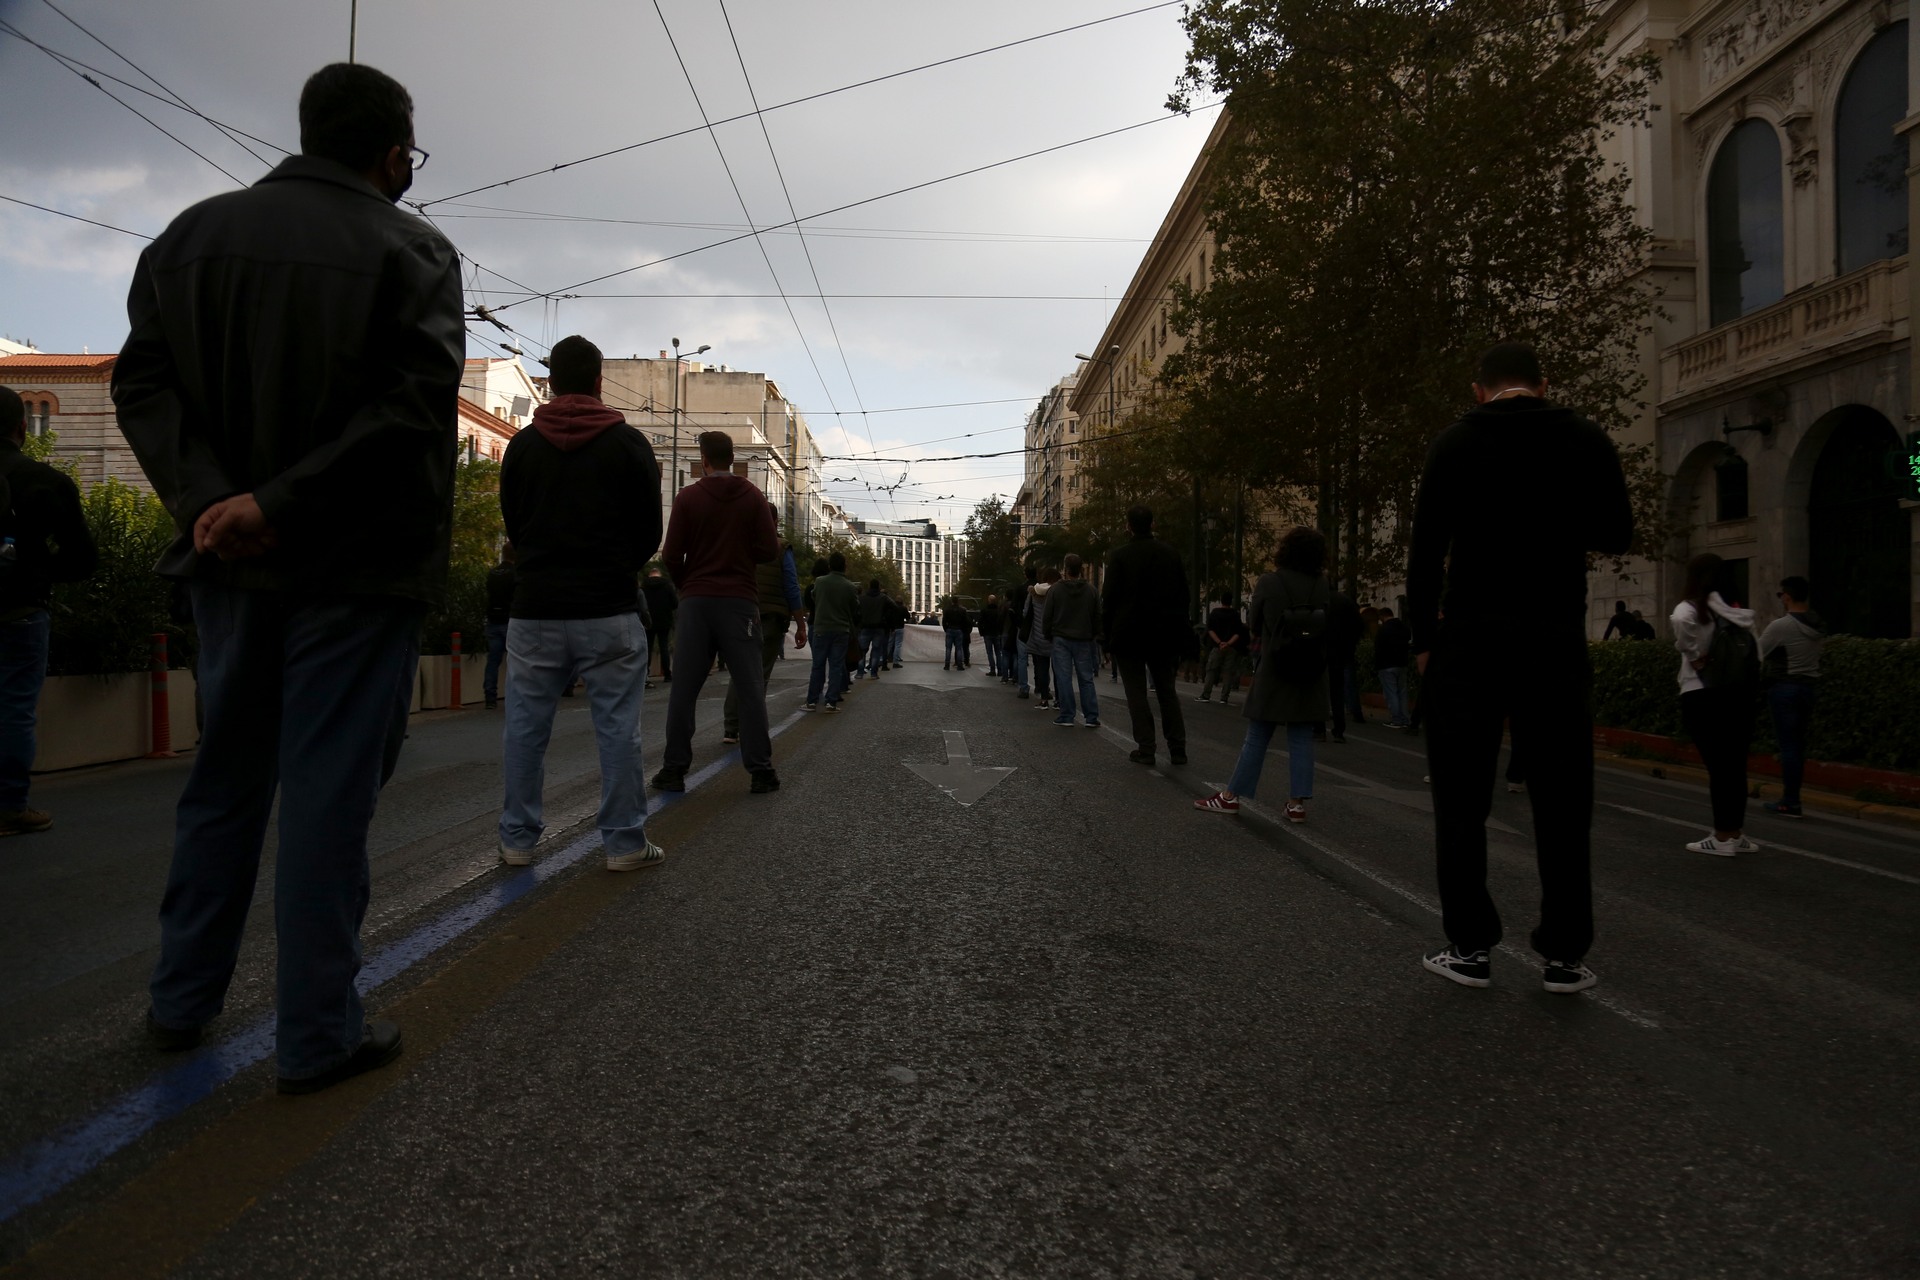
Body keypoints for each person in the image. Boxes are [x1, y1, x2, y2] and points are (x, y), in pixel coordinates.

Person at [113, 63, 460, 1092]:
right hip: (355, 571)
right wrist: (278, 504)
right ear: (392, 153)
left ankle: (181, 999)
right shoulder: (414, 251)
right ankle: (317, 1034)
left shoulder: (187, 239)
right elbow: (411, 411)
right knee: (326, 797)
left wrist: (214, 501)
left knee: (224, 781)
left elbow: (142, 384)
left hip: (227, 565)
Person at [1407, 342, 1632, 996]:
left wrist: (1425, 641)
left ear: (1479, 390)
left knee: (1461, 798)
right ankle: (1564, 954)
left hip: (1470, 637)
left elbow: (1425, 552)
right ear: (1544, 383)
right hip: (1553, 635)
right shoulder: (1585, 438)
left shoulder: (1454, 444)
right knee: (1563, 799)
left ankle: (1470, 947)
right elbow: (1616, 532)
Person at [497, 334, 664, 872]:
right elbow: (649, 532)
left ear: (550, 383)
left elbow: (514, 523)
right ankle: (624, 844)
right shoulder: (629, 444)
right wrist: (617, 568)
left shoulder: (522, 446)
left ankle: (518, 840)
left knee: (525, 729)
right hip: (609, 608)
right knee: (618, 731)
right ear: (598, 382)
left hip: (535, 609)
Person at [653, 432, 781, 794]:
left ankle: (674, 770)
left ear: (704, 460)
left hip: (696, 602)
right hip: (740, 602)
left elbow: (670, 555)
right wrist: (742, 557)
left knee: (684, 689)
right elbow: (769, 550)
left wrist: (687, 585)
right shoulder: (753, 497)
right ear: (732, 459)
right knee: (750, 689)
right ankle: (761, 771)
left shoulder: (688, 497)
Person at [0, 388, 99, 835]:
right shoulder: (45, 480)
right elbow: (82, 559)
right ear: (22, 428)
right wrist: (36, 570)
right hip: (19, 610)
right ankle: (8, 808)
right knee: (14, 709)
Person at [1194, 527, 1332, 821]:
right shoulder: (1322, 584)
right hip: (1311, 668)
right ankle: (1296, 804)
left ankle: (1231, 796)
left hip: (1276, 666)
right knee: (1302, 735)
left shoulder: (1270, 582)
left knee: (1258, 734)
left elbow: (1255, 625)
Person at [1672, 552, 1760, 854]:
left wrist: (1695, 656)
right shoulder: (1734, 609)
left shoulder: (1691, 608)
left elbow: (1679, 619)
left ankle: (1722, 837)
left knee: (1719, 768)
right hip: (1738, 694)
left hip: (1701, 693)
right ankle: (1735, 833)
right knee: (1735, 766)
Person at [1103, 505, 1190, 766]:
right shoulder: (1170, 554)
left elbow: (1109, 600)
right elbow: (1183, 597)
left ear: (1128, 526)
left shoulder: (1119, 557)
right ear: (1152, 524)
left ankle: (1146, 747)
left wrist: (1106, 638)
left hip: (1129, 634)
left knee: (1136, 692)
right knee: (1166, 691)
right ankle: (1178, 748)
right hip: (1164, 634)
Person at [722, 504, 806, 745]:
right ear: (776, 522)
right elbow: (791, 586)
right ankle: (751, 727)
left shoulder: (740, 545)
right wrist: (800, 624)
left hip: (741, 615)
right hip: (770, 618)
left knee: (739, 670)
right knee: (759, 673)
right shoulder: (781, 547)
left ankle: (731, 728)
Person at [1759, 576, 1823, 818]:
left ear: (1786, 596)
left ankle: (1790, 801)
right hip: (1809, 688)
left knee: (1788, 747)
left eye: (1780, 594)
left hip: (1785, 688)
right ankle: (1792, 799)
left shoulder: (1781, 626)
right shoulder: (1817, 625)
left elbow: (1757, 652)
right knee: (1797, 746)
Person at [1043, 553, 1100, 728]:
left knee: (1063, 677)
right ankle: (1091, 716)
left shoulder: (1055, 590)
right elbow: (1097, 615)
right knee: (1086, 678)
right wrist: (1094, 634)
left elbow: (1048, 615)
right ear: (1081, 569)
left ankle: (1067, 715)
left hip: (1061, 637)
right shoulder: (1091, 590)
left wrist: (1048, 634)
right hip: (1084, 637)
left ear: (1066, 569)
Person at [805, 553, 858, 712]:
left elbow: (814, 598)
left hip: (821, 628)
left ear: (830, 566)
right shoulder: (850, 587)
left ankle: (812, 701)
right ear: (844, 566)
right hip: (841, 630)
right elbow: (854, 608)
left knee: (818, 665)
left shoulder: (820, 582)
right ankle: (831, 702)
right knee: (836, 666)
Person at [1324, 589, 1362, 742]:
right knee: (1337, 691)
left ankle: (1319, 729)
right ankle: (1339, 730)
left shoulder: (1315, 599)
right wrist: (1349, 647)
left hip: (1320, 651)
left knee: (1319, 690)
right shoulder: (1345, 601)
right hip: (1340, 653)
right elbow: (1358, 626)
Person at [1198, 590, 1247, 707]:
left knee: (1211, 670)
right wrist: (1228, 643)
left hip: (1217, 647)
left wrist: (1220, 643)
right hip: (1231, 647)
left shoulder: (1215, 613)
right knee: (1228, 673)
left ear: (1221, 600)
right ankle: (1224, 697)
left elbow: (1210, 630)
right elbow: (1238, 633)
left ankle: (1206, 695)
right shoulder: (1235, 615)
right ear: (1231, 601)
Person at [482, 542, 515, 710]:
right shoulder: (515, 573)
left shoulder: (492, 573)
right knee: (515, 661)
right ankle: (514, 696)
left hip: (493, 620)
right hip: (510, 620)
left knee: (493, 660)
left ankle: (490, 697)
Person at [1373, 607, 1412, 728]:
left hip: (1386, 665)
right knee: (1402, 693)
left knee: (1391, 693)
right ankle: (1405, 719)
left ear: (1382, 616)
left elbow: (1378, 648)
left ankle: (1396, 719)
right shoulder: (1404, 627)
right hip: (1402, 663)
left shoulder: (1383, 630)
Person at [641, 568, 677, 686]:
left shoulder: (644, 586)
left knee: (648, 647)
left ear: (650, 575)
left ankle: (645, 675)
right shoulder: (667, 585)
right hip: (664, 620)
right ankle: (667, 674)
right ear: (659, 575)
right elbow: (675, 603)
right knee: (664, 646)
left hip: (648, 621)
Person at [1026, 569, 1056, 709]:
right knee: (1058, 670)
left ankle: (1044, 699)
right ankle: (1059, 700)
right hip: (1054, 636)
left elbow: (1026, 612)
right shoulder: (1057, 592)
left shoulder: (1033, 593)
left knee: (1042, 669)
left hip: (1038, 636)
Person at [856, 579, 889, 679]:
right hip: (878, 627)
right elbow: (894, 607)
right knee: (876, 651)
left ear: (869, 586)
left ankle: (860, 672)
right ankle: (873, 673)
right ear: (878, 586)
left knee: (862, 651)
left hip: (865, 626)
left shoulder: (862, 598)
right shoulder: (883, 598)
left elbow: (856, 610)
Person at [978, 594, 1006, 677]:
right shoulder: (998, 611)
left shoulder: (984, 611)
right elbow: (1001, 622)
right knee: (998, 652)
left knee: (990, 652)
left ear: (989, 600)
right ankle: (1000, 670)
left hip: (987, 633)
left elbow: (980, 622)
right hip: (997, 633)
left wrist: (982, 632)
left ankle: (992, 669)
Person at [941, 598, 970, 670]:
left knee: (948, 648)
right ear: (958, 601)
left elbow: (944, 621)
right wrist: (962, 629)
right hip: (959, 630)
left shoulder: (947, 610)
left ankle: (947, 665)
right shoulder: (962, 610)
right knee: (959, 648)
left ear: (952, 601)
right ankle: (959, 665)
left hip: (950, 629)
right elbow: (965, 621)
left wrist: (946, 629)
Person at [886, 592, 908, 668]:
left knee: (889, 644)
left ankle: (884, 659)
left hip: (892, 628)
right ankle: (895, 662)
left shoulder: (891, 607)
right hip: (900, 627)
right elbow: (907, 617)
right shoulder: (903, 608)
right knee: (897, 645)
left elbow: (888, 616)